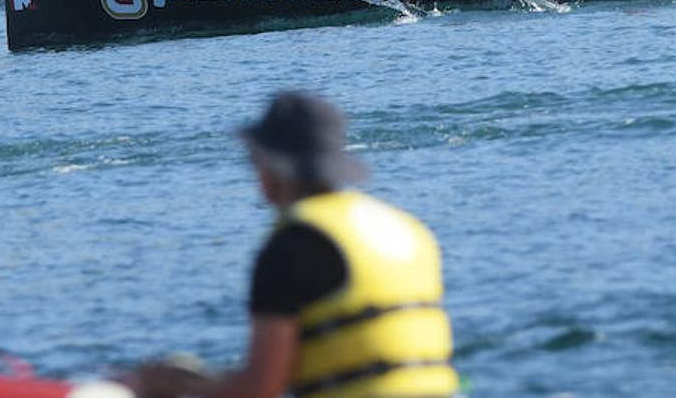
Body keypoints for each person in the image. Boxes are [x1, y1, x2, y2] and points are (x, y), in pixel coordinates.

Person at [126, 91, 457, 398]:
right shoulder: (406, 227)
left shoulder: (294, 245)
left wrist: (171, 386)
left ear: (269, 164)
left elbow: (260, 388)